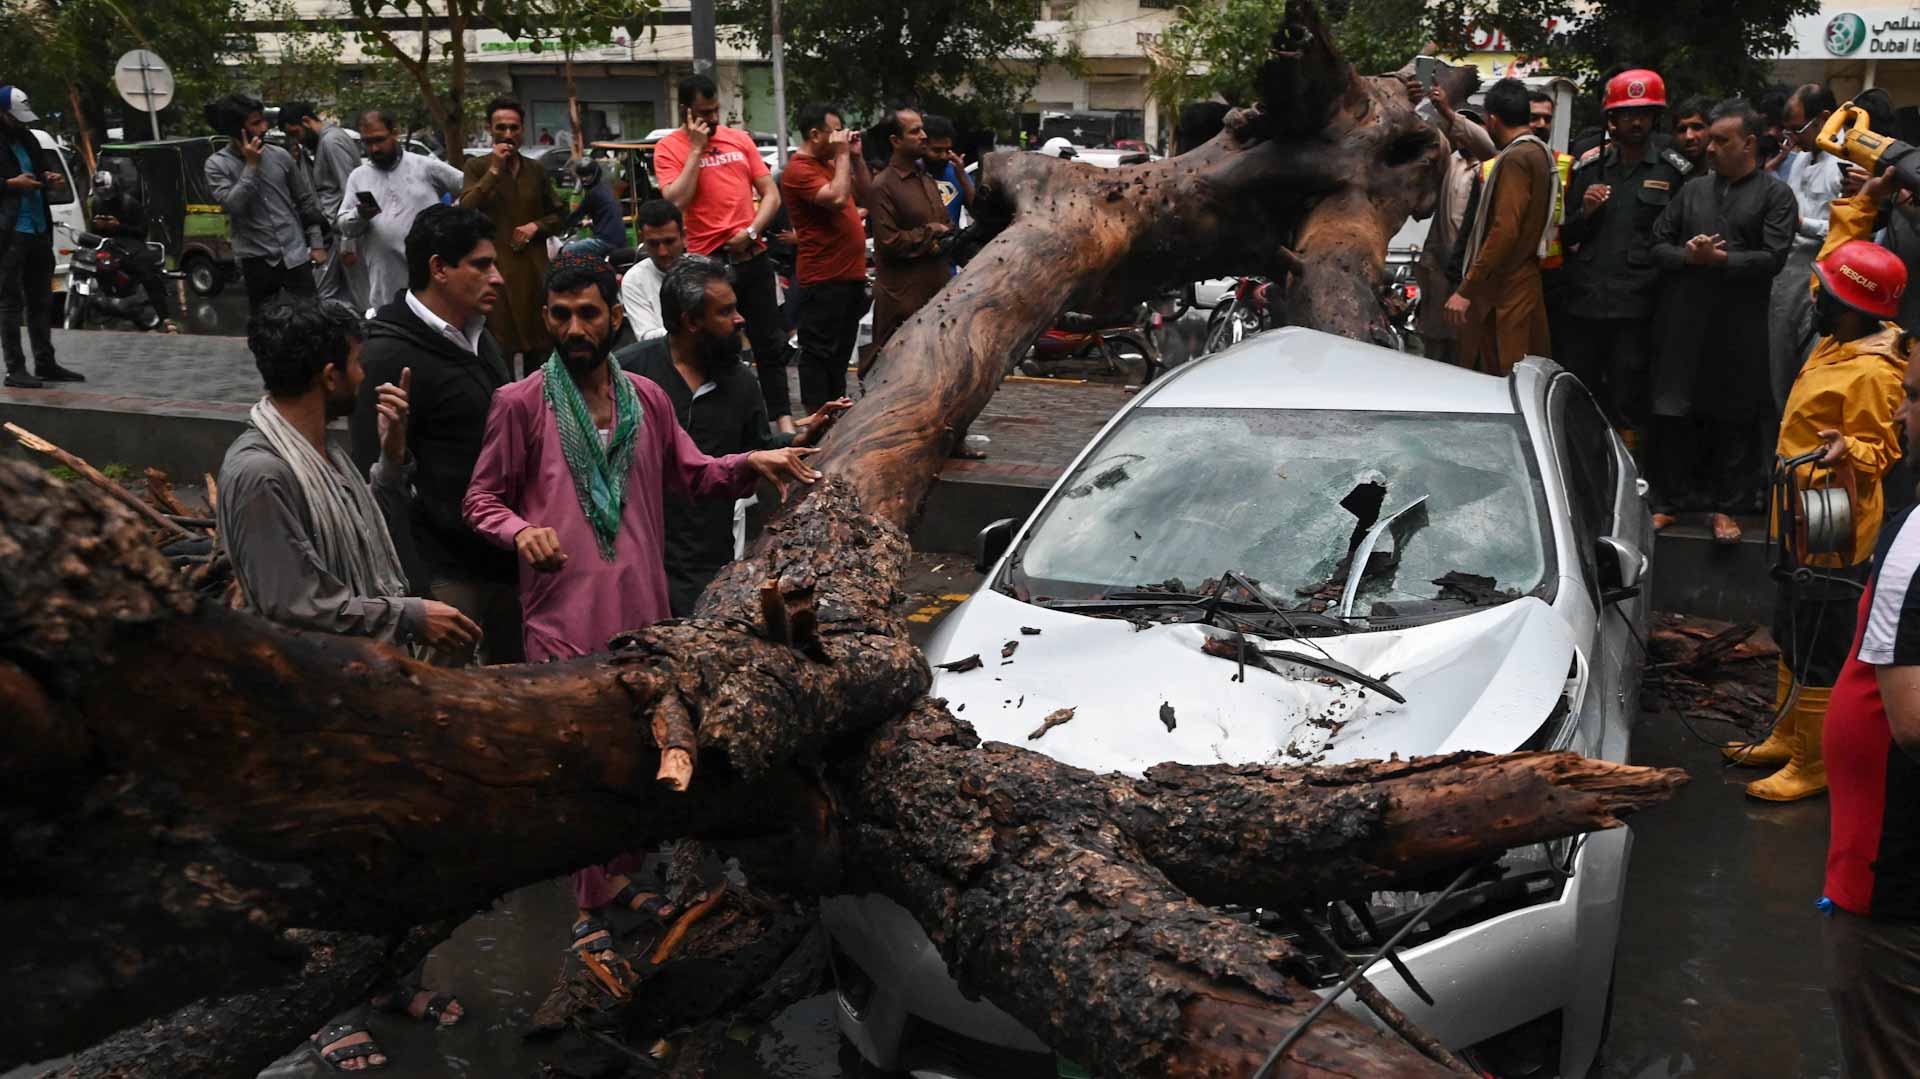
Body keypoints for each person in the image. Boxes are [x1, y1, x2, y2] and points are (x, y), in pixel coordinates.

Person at [216, 298, 475, 1072]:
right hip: (308, 704)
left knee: (391, 847)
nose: (364, 375)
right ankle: (318, 1015)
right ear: (329, 374)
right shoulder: (260, 471)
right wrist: (407, 612)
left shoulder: (317, 449)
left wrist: (390, 460)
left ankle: (392, 982)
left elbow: (357, 532)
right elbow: (294, 604)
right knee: (328, 866)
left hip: (365, 688)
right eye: (357, 363)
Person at [462, 254, 822, 663]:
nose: (574, 329)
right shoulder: (519, 404)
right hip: (560, 623)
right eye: (561, 315)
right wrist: (521, 531)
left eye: (588, 314)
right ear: (545, 317)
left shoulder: (646, 398)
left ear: (615, 317)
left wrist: (750, 461)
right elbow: (481, 500)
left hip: (644, 619)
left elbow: (694, 473)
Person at [1722, 230, 1910, 807]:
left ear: (1855, 311)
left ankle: (1813, 762)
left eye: (1825, 296)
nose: (1813, 302)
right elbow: (1842, 239)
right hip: (1800, 508)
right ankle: (1786, 734)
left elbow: (1884, 452)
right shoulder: (1837, 343)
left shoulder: (1875, 372)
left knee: (1821, 642)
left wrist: (1845, 449)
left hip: (1835, 520)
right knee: (1791, 629)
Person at [615, 255, 850, 614]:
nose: (739, 320)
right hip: (634, 556)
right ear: (690, 321)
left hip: (704, 560)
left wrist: (798, 441)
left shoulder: (740, 382)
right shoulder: (628, 373)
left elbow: (754, 450)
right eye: (725, 312)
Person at [347, 205, 522, 663]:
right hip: (442, 577)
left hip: (502, 556)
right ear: (439, 268)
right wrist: (414, 593)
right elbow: (376, 483)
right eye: (482, 265)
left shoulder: (481, 337)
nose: (498, 278)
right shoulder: (386, 356)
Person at [1819, 389, 1920, 1075]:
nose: (1902, 412)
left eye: (1915, 396)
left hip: (1896, 884)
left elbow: (1910, 719)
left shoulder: (1915, 547)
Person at [1647, 101, 1796, 542]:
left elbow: (1773, 258)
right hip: (1685, 319)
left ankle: (1725, 509)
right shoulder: (1694, 190)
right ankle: (1669, 503)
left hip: (1739, 325)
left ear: (1748, 143)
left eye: (1720, 140)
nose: (1710, 148)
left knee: (1733, 417)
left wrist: (1721, 259)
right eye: (1710, 139)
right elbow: (1658, 243)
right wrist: (1689, 256)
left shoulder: (1775, 195)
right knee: (1675, 412)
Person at [653, 74, 792, 429]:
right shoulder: (669, 147)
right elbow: (676, 200)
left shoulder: (739, 139)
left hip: (752, 253)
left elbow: (770, 194)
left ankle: (783, 422)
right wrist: (697, 149)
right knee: (718, 345)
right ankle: (727, 423)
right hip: (708, 263)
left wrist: (752, 230)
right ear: (686, 111)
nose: (713, 118)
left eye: (715, 110)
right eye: (704, 112)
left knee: (769, 345)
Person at [1557, 69, 1693, 432]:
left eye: (1644, 113)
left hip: (1639, 306)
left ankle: (1633, 474)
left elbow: (1682, 235)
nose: (1636, 121)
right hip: (1586, 302)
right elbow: (1564, 232)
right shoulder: (1588, 167)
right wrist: (1585, 212)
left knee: (1629, 395)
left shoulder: (1675, 170)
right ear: (1611, 120)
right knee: (1579, 390)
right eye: (1627, 114)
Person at [1444, 78, 1556, 374]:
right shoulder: (1539, 152)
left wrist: (1466, 290)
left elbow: (1504, 230)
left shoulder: (1517, 158)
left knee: (1504, 378)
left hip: (1505, 290)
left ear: (1492, 120)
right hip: (1519, 282)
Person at [459, 97, 565, 374]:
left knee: (541, 355)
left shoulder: (536, 169)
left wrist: (535, 227)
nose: (508, 134)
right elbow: (466, 208)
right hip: (496, 276)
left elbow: (559, 215)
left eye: (514, 128)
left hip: (534, 274)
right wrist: (494, 170)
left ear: (523, 130)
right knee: (499, 356)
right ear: (490, 129)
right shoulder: (477, 167)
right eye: (501, 127)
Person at [780, 102, 872, 415]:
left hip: (849, 276)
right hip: (823, 278)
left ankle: (836, 413)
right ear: (815, 134)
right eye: (834, 131)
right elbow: (834, 199)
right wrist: (843, 155)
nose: (839, 138)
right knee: (818, 353)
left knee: (839, 353)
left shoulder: (831, 164)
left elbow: (866, 194)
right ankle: (817, 420)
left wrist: (854, 157)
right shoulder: (799, 169)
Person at [205, 93, 328, 310]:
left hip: (295, 255)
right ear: (236, 129)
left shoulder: (280, 156)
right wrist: (251, 167)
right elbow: (233, 206)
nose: (264, 128)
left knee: (312, 319)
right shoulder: (216, 165)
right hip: (256, 259)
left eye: (263, 121)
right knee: (266, 327)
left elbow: (306, 202)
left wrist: (317, 244)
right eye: (255, 123)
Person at [338, 109, 467, 311]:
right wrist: (360, 215)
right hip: (386, 287)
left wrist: (450, 219)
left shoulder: (424, 167)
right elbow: (345, 226)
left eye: (379, 139)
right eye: (367, 142)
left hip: (430, 280)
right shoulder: (359, 177)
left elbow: (468, 187)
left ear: (395, 133)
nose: (374, 148)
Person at [1769, 84, 1846, 414]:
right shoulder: (1798, 160)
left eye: (1797, 129)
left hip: (1820, 281)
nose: (1793, 139)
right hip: (1785, 279)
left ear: (1824, 119)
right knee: (1777, 368)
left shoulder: (1846, 163)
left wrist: (1803, 225)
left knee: (1808, 372)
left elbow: (1853, 228)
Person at [0, 85, 81, 387]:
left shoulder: (29, 138)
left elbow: (42, 171)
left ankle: (46, 363)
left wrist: (49, 178)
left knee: (41, 300)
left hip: (38, 227)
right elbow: (10, 183)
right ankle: (15, 369)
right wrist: (10, 184)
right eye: (14, 117)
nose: (20, 122)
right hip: (10, 233)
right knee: (10, 303)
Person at [1413, 83, 1494, 367]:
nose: (1460, 132)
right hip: (1439, 271)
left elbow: (1486, 146)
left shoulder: (1492, 162)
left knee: (1467, 348)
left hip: (1471, 274)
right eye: (1456, 127)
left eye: (1466, 127)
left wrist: (1447, 111)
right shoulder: (1449, 163)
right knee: (1435, 349)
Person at [868, 106, 952, 358]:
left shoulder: (925, 178)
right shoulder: (883, 185)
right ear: (895, 141)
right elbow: (889, 242)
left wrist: (941, 236)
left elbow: (946, 225)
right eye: (915, 131)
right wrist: (929, 233)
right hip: (902, 305)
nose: (923, 136)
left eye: (922, 129)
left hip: (936, 299)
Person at [281, 100, 365, 309]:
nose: (296, 140)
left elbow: (350, 189)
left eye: (296, 133)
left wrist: (348, 242)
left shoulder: (331, 142)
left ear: (306, 121)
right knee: (331, 295)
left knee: (350, 295)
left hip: (345, 232)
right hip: (335, 231)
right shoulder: (324, 143)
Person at [87, 163, 179, 333]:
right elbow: (94, 230)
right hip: (109, 244)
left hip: (132, 244)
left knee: (147, 273)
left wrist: (118, 226)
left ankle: (166, 317)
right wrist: (98, 226)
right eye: (101, 193)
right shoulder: (96, 203)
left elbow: (142, 231)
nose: (105, 196)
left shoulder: (130, 204)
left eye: (107, 192)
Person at [619, 199, 687, 342]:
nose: (662, 252)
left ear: (684, 236)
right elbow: (647, 338)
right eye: (653, 244)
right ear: (641, 238)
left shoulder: (705, 271)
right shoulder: (634, 280)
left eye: (669, 242)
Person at [563, 158, 627, 252]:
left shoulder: (593, 194)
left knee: (566, 250)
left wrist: (563, 223)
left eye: (587, 175)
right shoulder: (606, 187)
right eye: (581, 176)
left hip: (605, 241)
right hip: (619, 239)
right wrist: (589, 222)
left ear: (595, 174)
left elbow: (573, 218)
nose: (583, 179)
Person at [922, 114, 972, 228]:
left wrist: (963, 178)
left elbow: (978, 213)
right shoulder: (909, 175)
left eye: (947, 150)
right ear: (922, 145)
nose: (944, 156)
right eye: (937, 150)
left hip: (952, 243)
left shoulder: (957, 173)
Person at [1671, 95, 1713, 177]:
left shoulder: (1730, 172)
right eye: (1682, 130)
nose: (1689, 136)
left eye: (1697, 128)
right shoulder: (1664, 171)